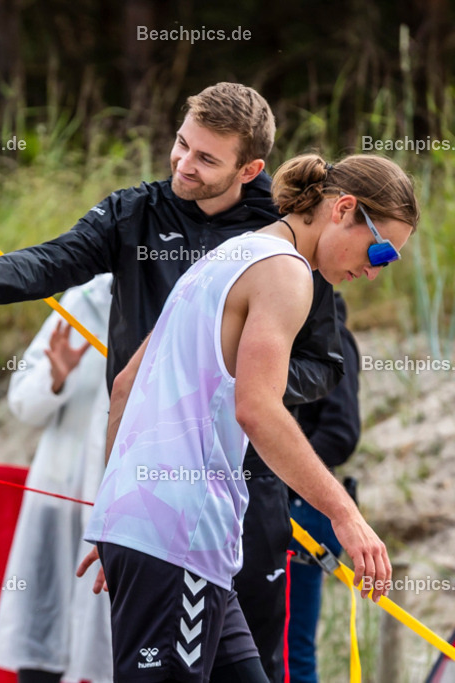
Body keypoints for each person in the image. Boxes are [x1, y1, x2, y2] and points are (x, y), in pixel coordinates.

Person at [0, 82, 342, 679]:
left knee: (255, 667)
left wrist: (232, 377)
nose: (183, 163)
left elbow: (325, 365)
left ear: (250, 169)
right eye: (181, 144)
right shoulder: (134, 212)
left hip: (247, 485)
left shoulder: (281, 239)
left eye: (205, 158)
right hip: (153, 489)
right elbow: (53, 260)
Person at [76, 153, 414, 681]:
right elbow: (258, 409)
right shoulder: (286, 272)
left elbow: (124, 387)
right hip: (181, 534)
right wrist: (346, 516)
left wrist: (121, 517)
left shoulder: (222, 257)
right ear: (344, 208)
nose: (373, 271)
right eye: (381, 251)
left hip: (163, 534)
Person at [0, 274, 113, 683]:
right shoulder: (83, 301)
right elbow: (23, 403)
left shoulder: (178, 302)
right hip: (57, 502)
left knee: (114, 650)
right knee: (40, 640)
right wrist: (56, 378)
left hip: (121, 514)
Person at [286, 293, 361, 683]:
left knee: (290, 652)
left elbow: (341, 432)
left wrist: (279, 469)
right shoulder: (289, 331)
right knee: (266, 647)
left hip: (303, 511)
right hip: (286, 505)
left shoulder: (331, 336)